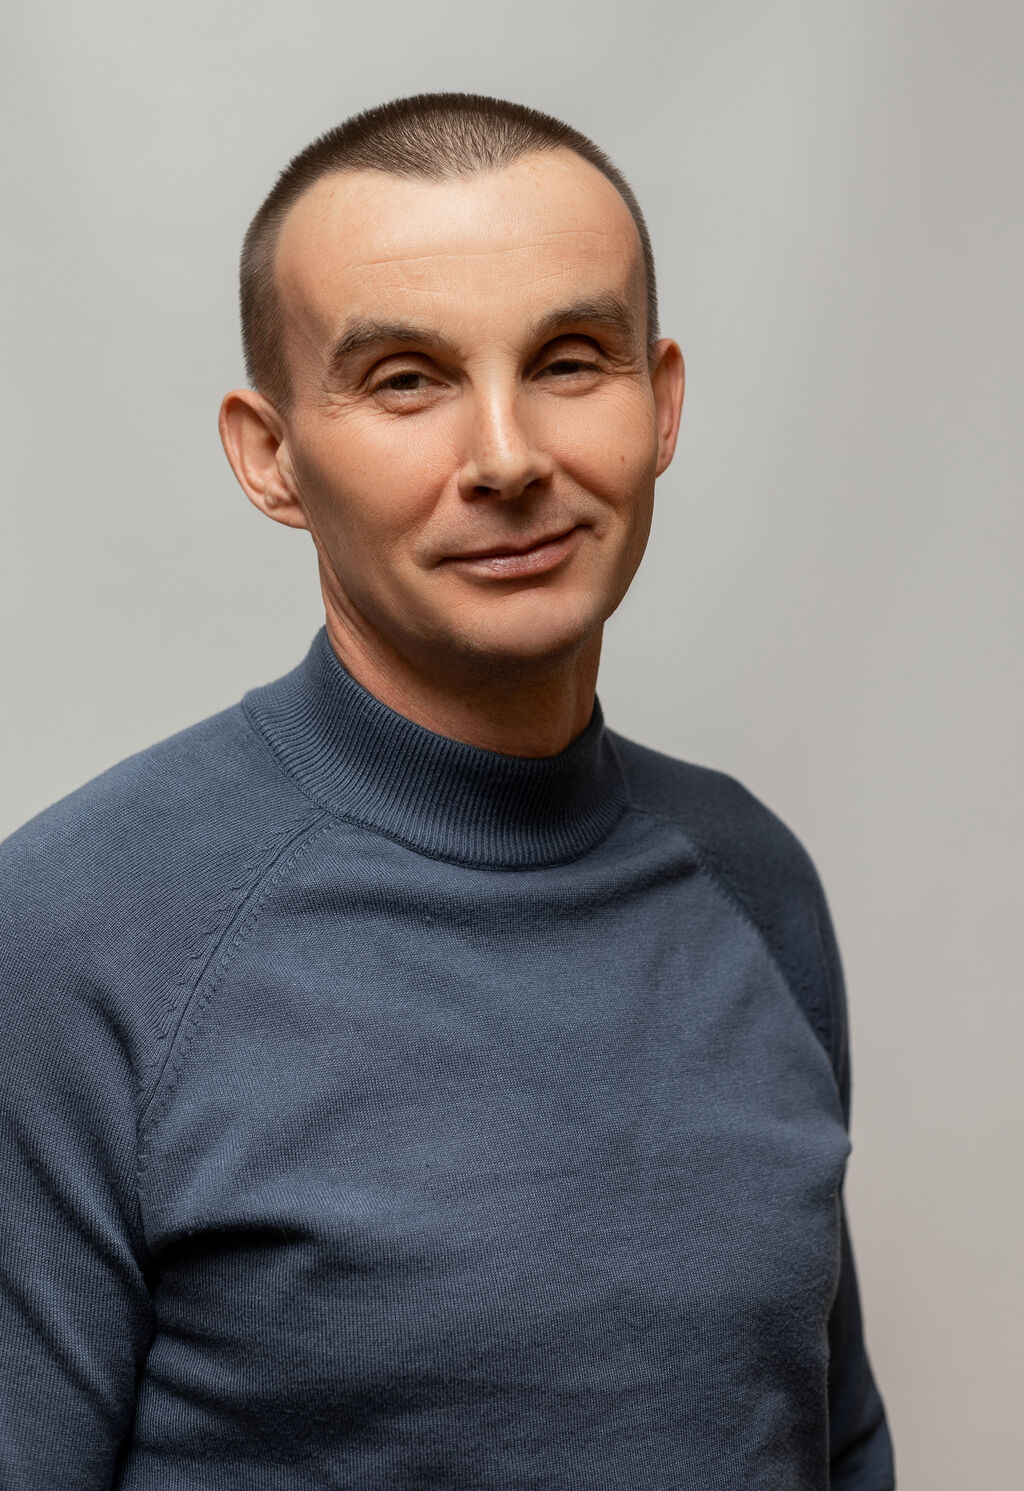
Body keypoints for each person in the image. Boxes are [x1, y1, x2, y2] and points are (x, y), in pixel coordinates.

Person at [0, 92, 895, 1489]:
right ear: (270, 455)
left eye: (569, 362)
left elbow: (832, 1447)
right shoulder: (73, 934)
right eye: (406, 379)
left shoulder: (752, 877)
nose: (508, 458)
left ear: (661, 403)